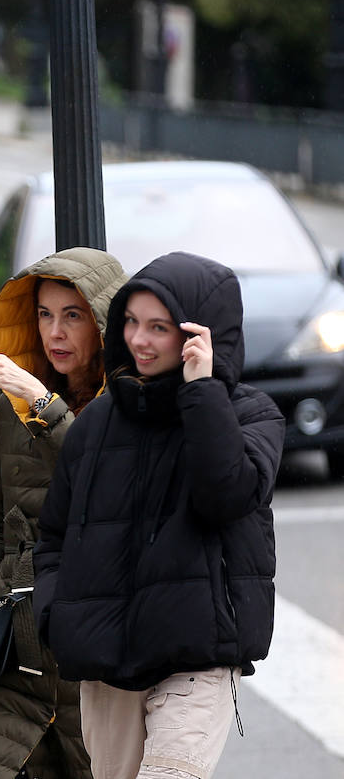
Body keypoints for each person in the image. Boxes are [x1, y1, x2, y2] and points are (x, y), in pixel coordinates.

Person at [33, 251, 283, 779]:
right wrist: (59, 615)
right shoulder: (98, 422)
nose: (139, 340)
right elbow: (53, 534)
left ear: (199, 335)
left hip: (197, 659)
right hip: (107, 665)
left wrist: (202, 392)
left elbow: (226, 496)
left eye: (159, 328)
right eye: (131, 322)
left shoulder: (251, 415)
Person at [0, 247, 128, 779]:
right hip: (10, 651)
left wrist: (44, 404)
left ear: (102, 323)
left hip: (88, 655)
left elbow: (104, 491)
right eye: (44, 315)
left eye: (72, 316)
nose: (55, 332)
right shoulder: (15, 402)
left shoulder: (128, 406)